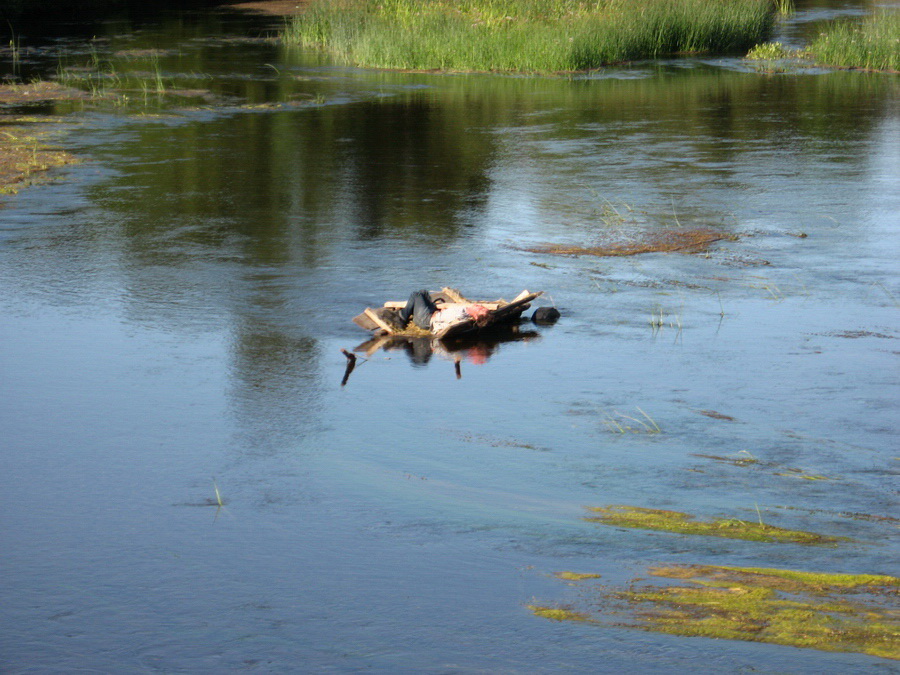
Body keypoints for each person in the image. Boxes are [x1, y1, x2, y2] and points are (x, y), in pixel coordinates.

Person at [397, 290, 490, 333]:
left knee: (416, 294)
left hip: (425, 319)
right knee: (424, 293)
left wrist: (438, 313)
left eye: (480, 309)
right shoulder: (466, 310)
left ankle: (402, 317)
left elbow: (440, 322)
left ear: (476, 317)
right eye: (483, 307)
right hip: (432, 313)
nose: (480, 306)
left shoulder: (460, 315)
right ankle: (412, 309)